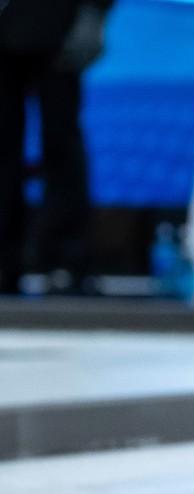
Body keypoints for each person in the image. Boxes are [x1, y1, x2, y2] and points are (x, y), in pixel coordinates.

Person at [0, 0, 111, 294]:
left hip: (60, 25)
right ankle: (5, 262)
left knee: (61, 144)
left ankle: (65, 259)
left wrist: (93, 15)